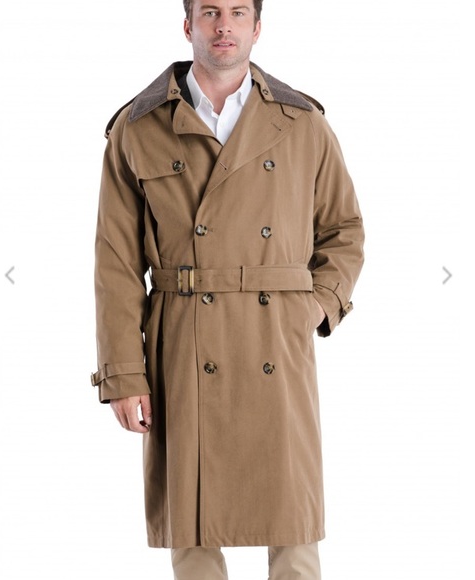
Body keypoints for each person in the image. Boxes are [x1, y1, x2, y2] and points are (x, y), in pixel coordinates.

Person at [90, 1, 365, 577]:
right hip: (185, 336)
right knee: (193, 527)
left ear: (257, 28)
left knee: (292, 524)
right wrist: (124, 375)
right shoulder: (138, 127)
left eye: (239, 12)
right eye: (210, 11)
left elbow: (343, 230)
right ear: (187, 24)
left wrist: (316, 307)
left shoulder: (302, 123)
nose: (224, 26)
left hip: (275, 337)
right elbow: (116, 263)